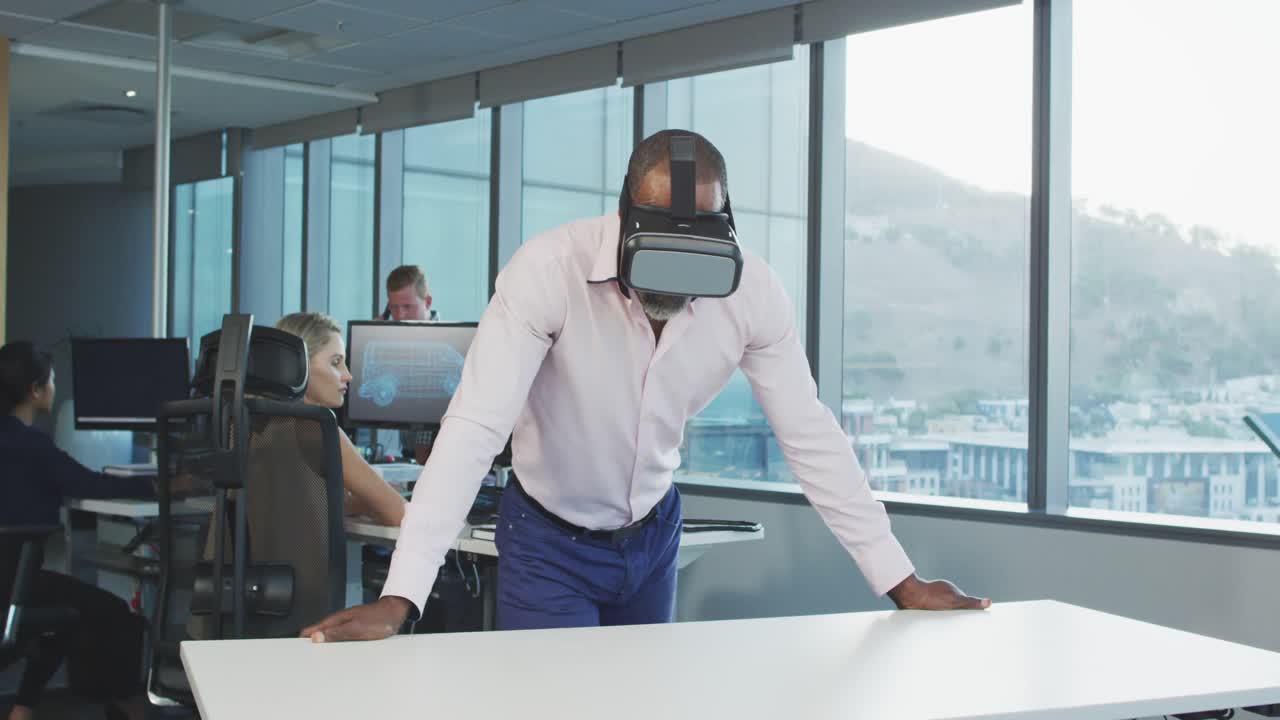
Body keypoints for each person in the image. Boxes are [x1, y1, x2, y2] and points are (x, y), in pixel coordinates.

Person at [303, 130, 988, 643]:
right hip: (547, 542)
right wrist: (402, 597)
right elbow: (475, 427)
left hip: (653, 537)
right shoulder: (548, 272)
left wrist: (900, 580)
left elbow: (808, 433)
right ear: (626, 218)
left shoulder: (753, 292)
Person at [0, 342, 151, 720]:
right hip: (13, 584)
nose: (55, 387)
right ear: (35, 390)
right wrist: (159, 484)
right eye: (51, 380)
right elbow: (90, 484)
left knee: (67, 613)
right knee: (112, 614)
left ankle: (22, 710)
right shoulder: (30, 445)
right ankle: (131, 707)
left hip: (11, 581)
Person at [274, 313, 406, 527]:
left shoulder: (254, 424)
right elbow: (400, 514)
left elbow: (301, 503)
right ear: (298, 365)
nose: (348, 375)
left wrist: (360, 504)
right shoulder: (320, 432)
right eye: (336, 363)